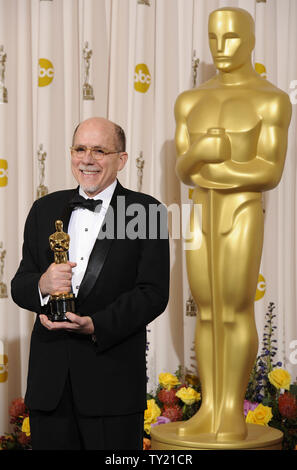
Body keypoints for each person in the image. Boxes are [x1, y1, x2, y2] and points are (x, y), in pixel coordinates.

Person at [11, 117, 170, 450]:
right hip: (49, 388)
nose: (88, 159)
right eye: (80, 149)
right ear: (71, 154)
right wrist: (42, 283)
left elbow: (153, 293)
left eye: (100, 150)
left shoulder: (145, 211)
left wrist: (95, 324)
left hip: (111, 386)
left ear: (121, 159)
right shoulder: (44, 208)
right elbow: (20, 284)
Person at [174, 7, 291, 442]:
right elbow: (185, 170)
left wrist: (213, 169)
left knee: (235, 306)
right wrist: (203, 151)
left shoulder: (271, 99)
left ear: (251, 39)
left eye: (232, 39)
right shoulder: (191, 100)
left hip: (241, 211)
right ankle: (209, 407)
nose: (221, 49)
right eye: (214, 39)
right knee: (206, 309)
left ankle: (231, 411)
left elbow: (269, 172)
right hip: (200, 212)